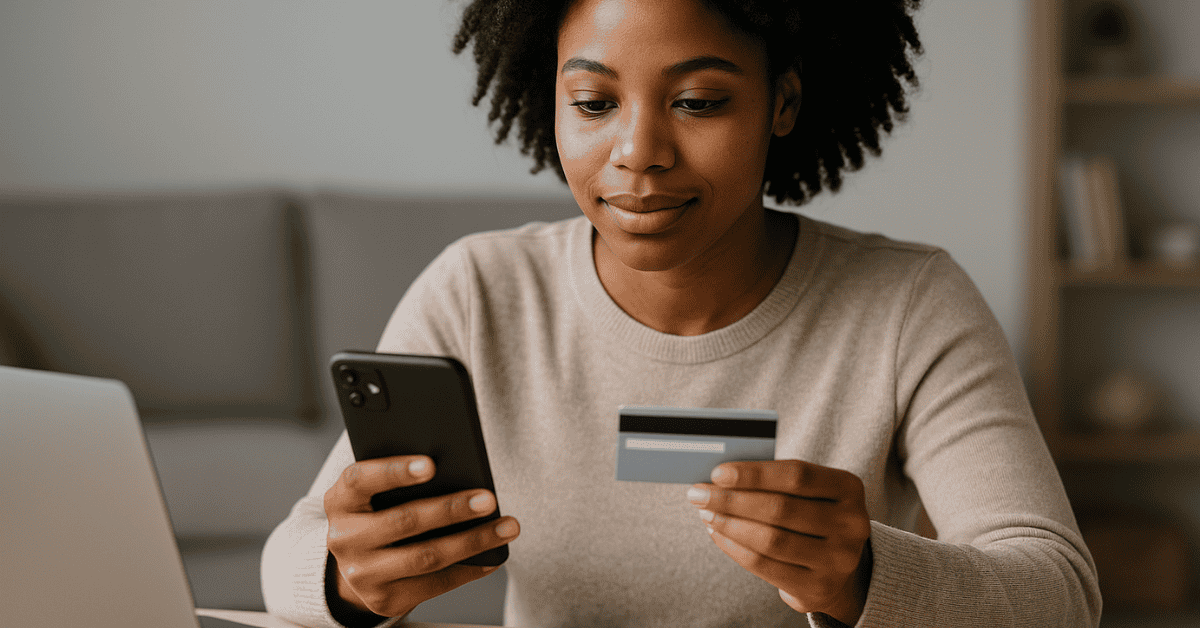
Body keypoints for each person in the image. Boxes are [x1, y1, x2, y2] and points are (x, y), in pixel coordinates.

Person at [262, 0, 1102, 626]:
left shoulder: (908, 304)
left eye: (698, 102)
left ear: (783, 103)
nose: (638, 154)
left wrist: (863, 573)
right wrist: (344, 576)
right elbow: (291, 556)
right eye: (593, 104)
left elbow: (1058, 590)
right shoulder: (479, 291)